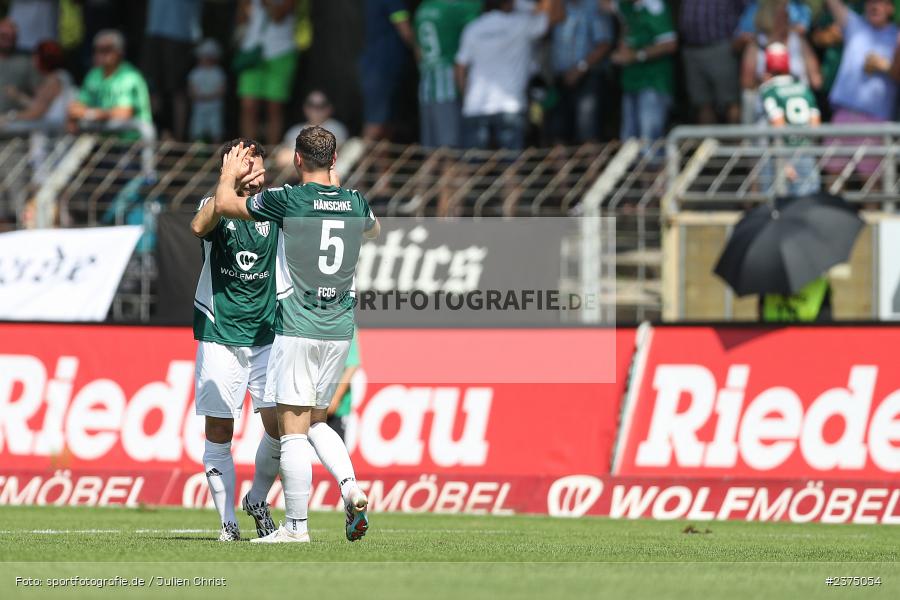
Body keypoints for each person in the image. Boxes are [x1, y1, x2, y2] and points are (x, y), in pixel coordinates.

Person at [214, 127, 379, 543]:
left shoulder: (287, 199)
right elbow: (372, 230)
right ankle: (350, 486)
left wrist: (228, 174)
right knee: (318, 420)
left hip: (297, 325)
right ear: (336, 159)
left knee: (292, 430)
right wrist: (338, 195)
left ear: (299, 160)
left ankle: (296, 528)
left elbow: (224, 205)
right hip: (340, 328)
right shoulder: (357, 202)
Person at [190, 138, 280, 542]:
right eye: (246, 164)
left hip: (267, 335)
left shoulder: (276, 205)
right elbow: (198, 226)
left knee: (282, 429)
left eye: (258, 164)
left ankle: (258, 498)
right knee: (219, 432)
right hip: (220, 334)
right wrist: (226, 180)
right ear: (232, 167)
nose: (255, 172)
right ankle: (228, 523)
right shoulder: (214, 205)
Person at [455, 0, 564, 150]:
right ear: (508, 4)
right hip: (511, 106)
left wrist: (466, 98)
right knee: (511, 166)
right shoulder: (520, 24)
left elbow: (460, 68)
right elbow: (557, 17)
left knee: (474, 168)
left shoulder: (473, 28)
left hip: (475, 107)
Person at [825, 0, 898, 144]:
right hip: (844, 115)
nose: (874, 6)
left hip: (877, 121)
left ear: (890, 8)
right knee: (831, 167)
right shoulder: (855, 25)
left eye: (881, 2)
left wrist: (885, 66)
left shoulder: (897, 36)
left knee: (874, 167)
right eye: (870, 2)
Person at [607, 0, 678, 142]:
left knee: (649, 139)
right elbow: (604, 6)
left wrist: (637, 55)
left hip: (653, 81)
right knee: (629, 141)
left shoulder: (655, 6)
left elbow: (670, 44)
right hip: (631, 81)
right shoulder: (626, 6)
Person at [740, 0, 821, 123]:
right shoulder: (756, 45)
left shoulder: (798, 40)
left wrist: (790, 82)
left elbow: (817, 81)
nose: (787, 17)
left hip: (799, 113)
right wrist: (767, 81)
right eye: (783, 14)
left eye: (786, 14)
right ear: (769, 16)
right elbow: (746, 83)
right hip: (766, 113)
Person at [414, 0, 481, 147]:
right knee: (450, 150)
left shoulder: (423, 8)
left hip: (427, 84)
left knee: (432, 149)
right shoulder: (454, 9)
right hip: (448, 86)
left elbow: (417, 48)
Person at [759, 42, 821, 196]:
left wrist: (785, 162)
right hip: (806, 150)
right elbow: (815, 124)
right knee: (809, 203)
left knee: (778, 207)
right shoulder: (803, 87)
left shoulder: (769, 90)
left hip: (785, 153)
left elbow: (777, 123)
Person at [546, 0, 613, 143]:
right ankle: (563, 166)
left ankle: (591, 165)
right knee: (557, 131)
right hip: (561, 78)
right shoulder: (559, 7)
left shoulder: (594, 7)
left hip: (588, 77)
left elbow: (604, 44)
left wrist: (581, 68)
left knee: (587, 129)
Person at [67, 29, 153, 140]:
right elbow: (78, 106)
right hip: (103, 141)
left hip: (132, 143)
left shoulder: (130, 76)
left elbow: (124, 113)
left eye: (106, 50)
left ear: (119, 52)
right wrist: (74, 116)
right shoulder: (94, 74)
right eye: (97, 49)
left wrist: (89, 114)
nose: (100, 54)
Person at [237, 0, 297, 146]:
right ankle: (248, 152)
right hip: (252, 53)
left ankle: (271, 152)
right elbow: (241, 19)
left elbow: (278, 16)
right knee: (248, 106)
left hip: (280, 52)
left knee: (274, 108)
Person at [142, 0, 202, 140]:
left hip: (180, 34)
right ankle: (154, 136)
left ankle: (178, 140)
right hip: (154, 31)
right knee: (152, 88)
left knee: (178, 90)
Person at [678, 0, 745, 124]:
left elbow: (746, 11)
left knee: (730, 100)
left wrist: (736, 39)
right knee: (702, 102)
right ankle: (709, 142)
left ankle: (736, 141)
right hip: (691, 49)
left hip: (721, 47)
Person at [359, 0, 416, 141]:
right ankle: (350, 163)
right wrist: (422, 51)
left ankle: (383, 163)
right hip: (381, 68)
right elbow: (405, 30)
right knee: (375, 125)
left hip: (382, 66)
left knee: (386, 127)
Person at [0, 40, 73, 133]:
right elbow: (37, 105)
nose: (33, 60)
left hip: (51, 134)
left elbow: (36, 113)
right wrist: (18, 96)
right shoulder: (57, 77)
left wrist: (9, 116)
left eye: (35, 56)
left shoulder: (53, 81)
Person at [277, 90, 348, 166]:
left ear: (329, 108)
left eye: (322, 105)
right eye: (311, 104)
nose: (315, 109)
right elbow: (281, 160)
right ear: (304, 107)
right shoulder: (293, 130)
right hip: (296, 175)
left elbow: (327, 157)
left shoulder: (336, 128)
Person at [188, 39, 227, 143]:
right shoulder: (195, 73)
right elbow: (192, 90)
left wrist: (207, 97)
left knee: (216, 131)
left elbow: (222, 90)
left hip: (215, 107)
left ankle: (216, 154)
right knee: (197, 131)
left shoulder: (219, 73)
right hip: (199, 107)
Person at [0, 18, 40, 117]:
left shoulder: (28, 60)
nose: (7, 40)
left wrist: (19, 96)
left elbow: (40, 98)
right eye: (3, 36)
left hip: (16, 122)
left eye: (12, 37)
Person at [325, 332, 361, 441]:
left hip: (334, 410)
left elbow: (352, 364)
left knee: (332, 453)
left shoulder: (343, 319)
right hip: (310, 404)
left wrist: (335, 398)